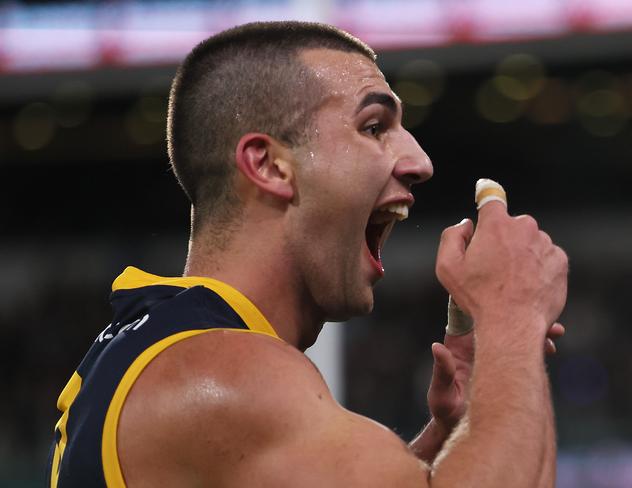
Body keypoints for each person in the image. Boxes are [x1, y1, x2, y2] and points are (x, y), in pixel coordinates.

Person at [47, 21, 568, 487]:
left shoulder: (161, 350)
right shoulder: (223, 371)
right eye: (373, 127)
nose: (419, 161)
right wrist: (512, 313)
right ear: (270, 166)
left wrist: (455, 435)